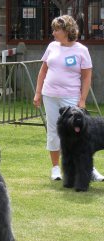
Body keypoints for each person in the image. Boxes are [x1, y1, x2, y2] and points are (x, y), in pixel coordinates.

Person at [33, 15, 104, 181]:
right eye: (54, 29)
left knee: (81, 135)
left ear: (67, 31)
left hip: (71, 97)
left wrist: (82, 99)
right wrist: (37, 93)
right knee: (53, 131)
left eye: (57, 29)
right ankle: (56, 168)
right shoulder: (51, 47)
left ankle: (89, 169)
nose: (54, 33)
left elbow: (87, 77)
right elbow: (43, 71)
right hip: (49, 95)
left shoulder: (81, 50)